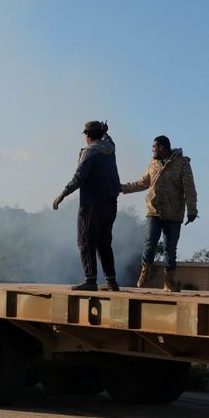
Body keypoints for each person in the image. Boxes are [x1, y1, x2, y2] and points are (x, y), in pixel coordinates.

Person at [121, 135, 198, 292]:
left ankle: (169, 281)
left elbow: (189, 188)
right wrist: (124, 188)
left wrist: (192, 210)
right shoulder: (153, 163)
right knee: (150, 242)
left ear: (162, 148)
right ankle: (145, 272)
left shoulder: (182, 163)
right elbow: (143, 182)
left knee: (170, 248)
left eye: (154, 147)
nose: (152, 150)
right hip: (154, 210)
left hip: (173, 212)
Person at [53, 121, 121, 291]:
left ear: (88, 135)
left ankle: (90, 280)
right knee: (104, 242)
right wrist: (105, 132)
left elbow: (79, 178)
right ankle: (111, 281)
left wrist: (62, 194)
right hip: (111, 203)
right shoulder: (110, 148)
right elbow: (109, 139)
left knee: (86, 240)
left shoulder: (90, 152)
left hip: (92, 204)